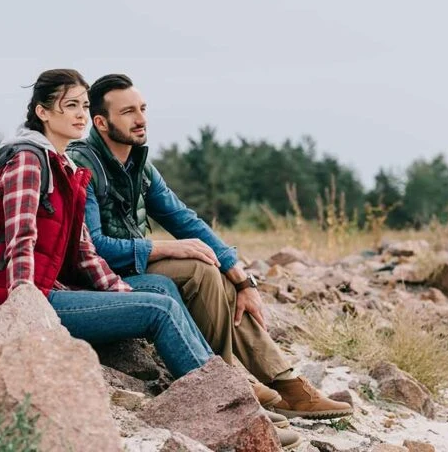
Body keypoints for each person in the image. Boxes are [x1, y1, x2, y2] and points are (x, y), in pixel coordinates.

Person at [68, 73, 353, 420]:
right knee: (198, 268)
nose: (141, 119)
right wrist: (164, 248)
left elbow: (185, 219)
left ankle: (286, 383)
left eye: (142, 108)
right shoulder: (82, 163)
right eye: (128, 112)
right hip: (99, 277)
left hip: (131, 266)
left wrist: (241, 278)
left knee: (217, 271)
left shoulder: (139, 166)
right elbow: (92, 247)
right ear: (101, 121)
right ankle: (232, 381)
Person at [0, 69, 213, 380]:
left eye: (85, 106)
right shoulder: (27, 162)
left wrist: (119, 292)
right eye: (70, 106)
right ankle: (214, 396)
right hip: (25, 300)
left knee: (160, 287)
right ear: (42, 112)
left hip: (57, 287)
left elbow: (85, 250)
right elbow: (21, 241)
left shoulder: (66, 165)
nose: (81, 115)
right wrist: (24, 310)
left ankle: (219, 381)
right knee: (159, 310)